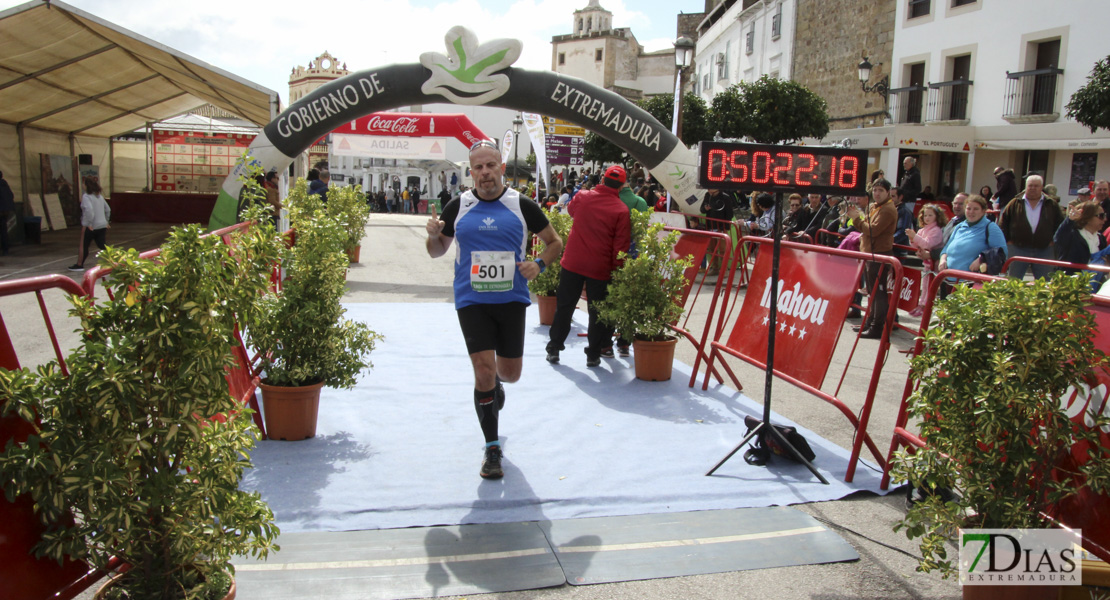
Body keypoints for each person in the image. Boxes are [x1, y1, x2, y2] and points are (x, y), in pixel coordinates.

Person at [425, 140, 563, 480]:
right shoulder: (458, 206)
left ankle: (495, 388)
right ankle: (491, 448)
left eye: (491, 165)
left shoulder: (522, 205)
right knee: (483, 372)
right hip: (471, 300)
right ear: (470, 172)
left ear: (502, 167)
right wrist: (432, 236)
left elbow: (555, 242)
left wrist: (539, 265)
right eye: (478, 167)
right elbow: (435, 251)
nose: (485, 173)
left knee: (509, 374)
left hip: (512, 299)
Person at [546, 165, 631, 368]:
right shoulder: (621, 210)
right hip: (600, 267)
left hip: (573, 261)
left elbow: (572, 211)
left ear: (603, 179)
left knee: (565, 307)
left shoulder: (583, 196)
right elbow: (621, 246)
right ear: (622, 186)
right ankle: (593, 354)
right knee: (596, 311)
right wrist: (617, 269)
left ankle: (554, 348)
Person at [841, 179, 897, 339]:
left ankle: (877, 327)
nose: (877, 193)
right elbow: (866, 227)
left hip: (879, 254)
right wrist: (859, 219)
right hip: (869, 252)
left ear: (887, 192)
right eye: (875, 190)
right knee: (872, 291)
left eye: (881, 190)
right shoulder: (874, 207)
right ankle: (870, 321)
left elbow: (873, 230)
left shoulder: (887, 209)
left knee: (878, 293)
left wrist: (856, 219)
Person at [998, 174, 1064, 280]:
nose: (1033, 188)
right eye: (1030, 185)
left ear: (1042, 187)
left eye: (1036, 186)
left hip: (1044, 249)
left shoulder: (1051, 204)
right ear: (1026, 186)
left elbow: (1060, 224)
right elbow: (1003, 223)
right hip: (1018, 249)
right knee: (1013, 282)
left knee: (1044, 284)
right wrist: (1008, 242)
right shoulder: (1014, 203)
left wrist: (1052, 241)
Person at [938, 195, 1007, 284]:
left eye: (976, 209)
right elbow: (946, 248)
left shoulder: (990, 227)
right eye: (968, 208)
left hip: (971, 283)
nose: (971, 212)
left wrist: (981, 259)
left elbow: (1001, 252)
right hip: (948, 279)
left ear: (983, 211)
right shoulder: (959, 226)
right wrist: (943, 259)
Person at [906, 204, 948, 316]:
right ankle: (921, 304)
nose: (927, 218)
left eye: (930, 215)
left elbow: (927, 244)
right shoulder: (923, 230)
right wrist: (912, 239)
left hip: (934, 262)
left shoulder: (936, 230)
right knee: (924, 284)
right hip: (926, 263)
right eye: (925, 215)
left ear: (937, 216)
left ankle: (926, 306)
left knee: (930, 285)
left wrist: (915, 237)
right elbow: (916, 244)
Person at [68, 177, 111, 272]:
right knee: (102, 244)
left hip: (91, 225)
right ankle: (113, 261)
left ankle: (79, 264)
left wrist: (89, 223)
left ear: (87, 185)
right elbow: (108, 209)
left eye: (83, 184)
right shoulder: (99, 196)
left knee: (84, 245)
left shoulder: (86, 197)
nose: (82, 185)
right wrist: (106, 221)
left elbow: (89, 210)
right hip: (102, 225)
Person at [1053, 200, 1107, 273]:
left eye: (1104, 215)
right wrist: (1070, 220)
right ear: (1087, 217)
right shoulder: (1072, 235)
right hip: (1072, 280)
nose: (1105, 219)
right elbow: (1058, 239)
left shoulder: (1101, 238)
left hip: (1094, 281)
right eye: (1101, 216)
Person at [0, 170, 14, 255]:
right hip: (6, 211)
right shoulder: (5, 184)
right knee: (4, 230)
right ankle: (5, 249)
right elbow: (11, 195)